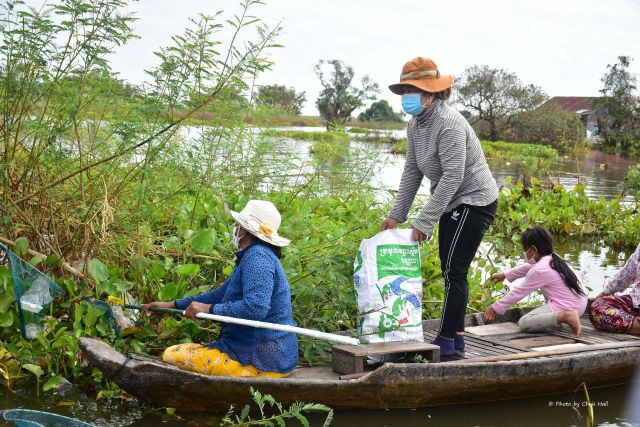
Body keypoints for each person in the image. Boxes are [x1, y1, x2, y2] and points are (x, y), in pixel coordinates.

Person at [381, 57, 498, 356]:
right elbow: (412, 170)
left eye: (413, 89)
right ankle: (456, 336)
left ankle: (445, 341)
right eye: (405, 89)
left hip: (475, 199)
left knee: (453, 270)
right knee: (451, 270)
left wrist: (424, 221)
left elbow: (453, 176)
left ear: (431, 93)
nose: (407, 96)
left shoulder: (448, 124)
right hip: (452, 198)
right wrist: (397, 214)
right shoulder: (416, 124)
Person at [142, 200, 298, 377]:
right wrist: (171, 305)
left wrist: (209, 309)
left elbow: (255, 308)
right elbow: (220, 295)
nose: (235, 228)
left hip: (263, 359)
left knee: (171, 355)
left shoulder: (258, 257)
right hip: (269, 353)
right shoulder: (253, 255)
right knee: (180, 352)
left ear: (245, 231)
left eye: (238, 225)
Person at [482, 227, 587, 336]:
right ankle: (563, 316)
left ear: (533, 249)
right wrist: (505, 275)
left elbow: (519, 292)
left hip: (569, 306)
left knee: (524, 322)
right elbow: (528, 267)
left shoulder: (540, 269)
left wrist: (494, 308)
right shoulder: (554, 258)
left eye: (525, 249)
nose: (524, 253)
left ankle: (566, 316)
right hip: (580, 303)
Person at [589, 243, 640, 334]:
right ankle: (636, 325)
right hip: (636, 304)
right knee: (598, 306)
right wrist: (602, 294)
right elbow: (626, 273)